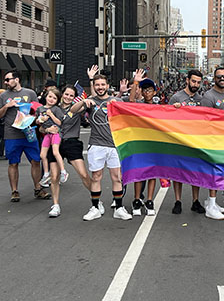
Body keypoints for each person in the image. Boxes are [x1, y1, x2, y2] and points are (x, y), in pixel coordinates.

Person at [71, 74, 132, 221]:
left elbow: (133, 110)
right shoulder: (90, 102)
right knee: (96, 177)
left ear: (107, 85)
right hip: (96, 145)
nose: (100, 87)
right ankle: (95, 207)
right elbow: (73, 110)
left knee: (117, 177)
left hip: (114, 146)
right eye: (97, 85)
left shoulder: (115, 101)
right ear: (94, 86)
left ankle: (119, 208)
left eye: (102, 84)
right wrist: (83, 102)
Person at [0, 70, 50, 202]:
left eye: (8, 79)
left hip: (29, 132)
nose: (5, 82)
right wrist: (7, 106)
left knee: (35, 161)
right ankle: (14, 191)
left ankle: (38, 188)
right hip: (11, 134)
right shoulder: (4, 96)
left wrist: (34, 116)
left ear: (16, 79)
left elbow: (38, 110)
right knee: (13, 163)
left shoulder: (30, 93)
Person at [43, 85, 92, 217]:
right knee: (54, 177)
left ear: (74, 97)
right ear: (62, 94)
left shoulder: (76, 108)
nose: (68, 97)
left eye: (71, 95)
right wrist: (47, 130)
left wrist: (91, 82)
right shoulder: (52, 108)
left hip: (71, 143)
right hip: (55, 143)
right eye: (66, 94)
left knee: (83, 174)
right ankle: (56, 205)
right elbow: (41, 127)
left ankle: (96, 201)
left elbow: (88, 102)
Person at [168, 70, 206, 215]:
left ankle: (195, 201)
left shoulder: (201, 99)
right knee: (178, 172)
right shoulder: (176, 97)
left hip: (196, 141)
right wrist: (175, 109)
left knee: (195, 172)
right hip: (179, 140)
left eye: (198, 82)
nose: (196, 84)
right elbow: (167, 117)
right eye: (193, 81)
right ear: (187, 81)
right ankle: (178, 201)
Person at [200, 67, 224, 220]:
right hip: (212, 140)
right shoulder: (208, 96)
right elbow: (204, 119)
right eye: (219, 76)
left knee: (220, 171)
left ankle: (211, 202)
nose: (222, 79)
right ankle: (211, 206)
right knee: (214, 172)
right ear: (214, 78)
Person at [129, 70, 159, 216]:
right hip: (140, 144)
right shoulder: (138, 105)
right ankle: (136, 200)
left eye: (150, 90)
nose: (147, 92)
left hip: (153, 144)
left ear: (154, 92)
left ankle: (149, 200)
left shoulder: (159, 107)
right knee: (138, 173)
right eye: (144, 89)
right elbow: (131, 101)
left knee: (152, 173)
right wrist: (135, 82)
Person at [36, 88, 68, 188]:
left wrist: (51, 115)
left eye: (54, 98)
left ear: (57, 101)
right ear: (46, 96)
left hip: (56, 133)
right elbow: (37, 122)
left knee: (55, 151)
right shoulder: (40, 109)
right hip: (47, 134)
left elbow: (60, 123)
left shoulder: (56, 109)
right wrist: (40, 120)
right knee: (42, 155)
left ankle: (63, 171)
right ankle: (46, 174)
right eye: (50, 96)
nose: (51, 99)